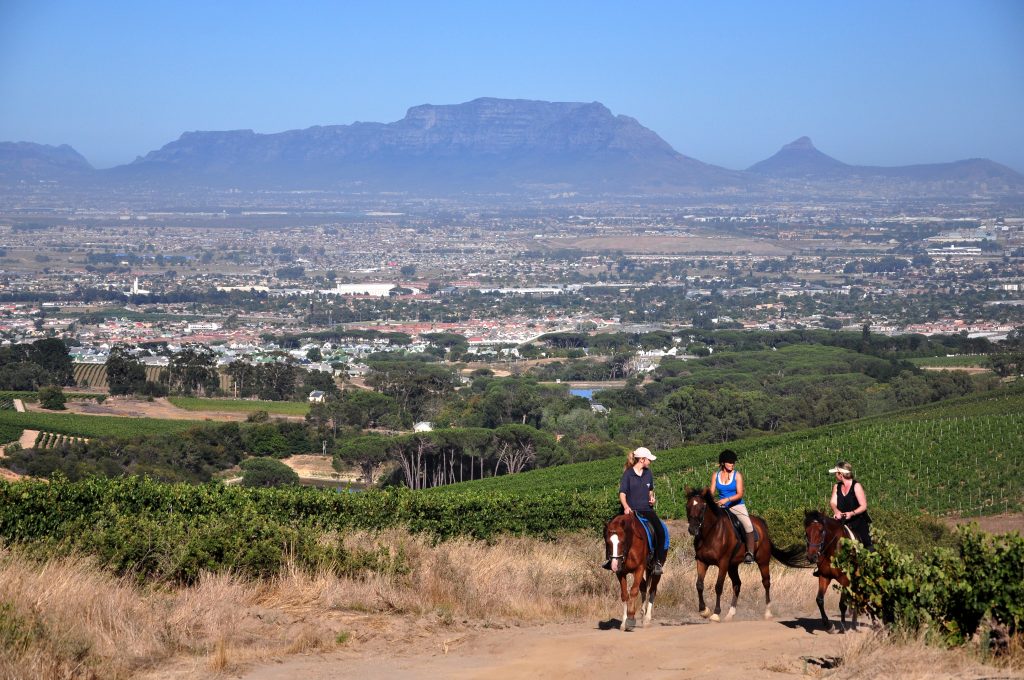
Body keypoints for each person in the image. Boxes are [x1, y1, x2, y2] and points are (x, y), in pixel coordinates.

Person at [616, 446, 668, 575]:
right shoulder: (628, 474)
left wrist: (652, 499)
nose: (650, 461)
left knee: (661, 531)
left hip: (647, 510)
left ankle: (657, 562)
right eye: (649, 459)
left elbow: (650, 491)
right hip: (631, 511)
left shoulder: (648, 473)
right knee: (613, 530)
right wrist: (626, 507)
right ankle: (611, 559)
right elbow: (622, 494)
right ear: (642, 460)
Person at [711, 449, 756, 563]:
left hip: (736, 505)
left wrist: (727, 499)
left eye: (733, 462)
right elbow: (711, 492)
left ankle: (749, 553)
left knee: (748, 526)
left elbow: (740, 494)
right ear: (722, 463)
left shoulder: (737, 475)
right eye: (730, 462)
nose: (732, 464)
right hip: (721, 506)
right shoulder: (716, 475)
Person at [829, 460, 873, 550]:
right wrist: (836, 511)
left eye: (836, 473)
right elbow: (832, 502)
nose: (835, 475)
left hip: (858, 521)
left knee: (867, 545)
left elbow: (863, 506)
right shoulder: (836, 487)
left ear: (841, 474)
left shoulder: (856, 486)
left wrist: (851, 513)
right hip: (841, 520)